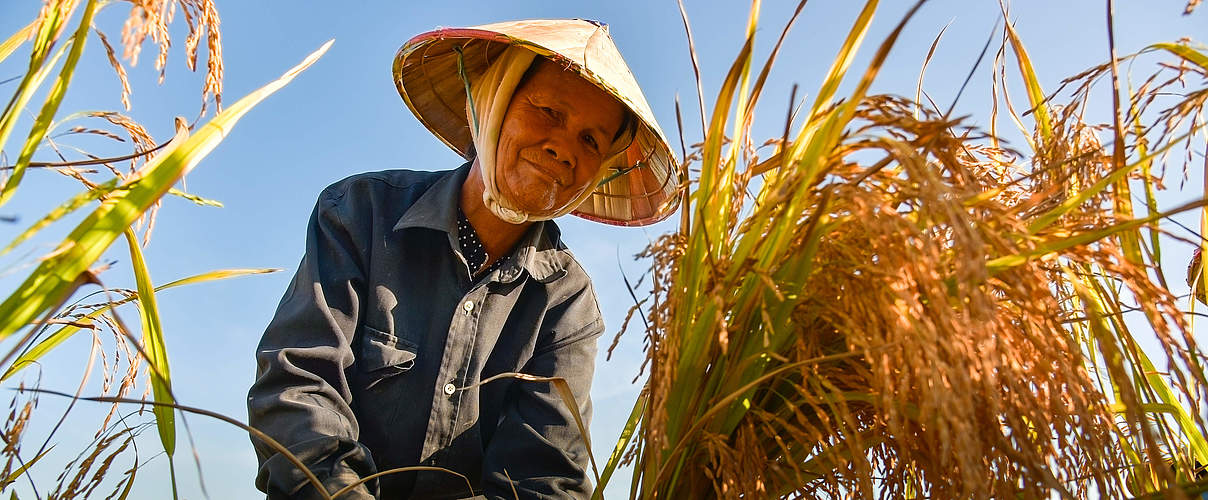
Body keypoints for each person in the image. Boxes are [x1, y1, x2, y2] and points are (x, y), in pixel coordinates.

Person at [247, 19, 679, 499]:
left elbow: (542, 479)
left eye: (592, 141)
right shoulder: (359, 215)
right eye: (549, 111)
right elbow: (297, 390)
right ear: (496, 100)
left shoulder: (567, 304)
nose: (563, 148)